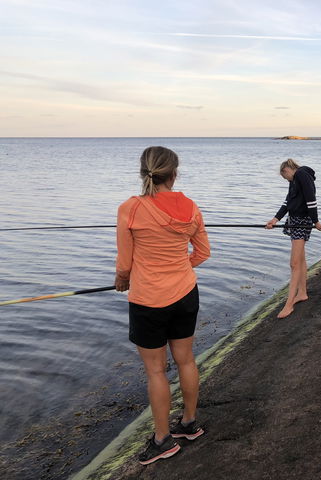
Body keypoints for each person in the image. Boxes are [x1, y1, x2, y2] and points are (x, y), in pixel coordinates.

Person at [115, 146, 210, 465]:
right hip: (186, 293)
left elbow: (124, 262)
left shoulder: (130, 208)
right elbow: (202, 252)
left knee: (156, 370)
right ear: (174, 174)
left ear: (144, 172)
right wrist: (181, 267)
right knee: (185, 360)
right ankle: (189, 423)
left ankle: (162, 439)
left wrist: (123, 279)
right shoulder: (191, 206)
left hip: (149, 300)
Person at [265, 159, 321, 319]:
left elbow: (311, 200)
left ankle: (289, 304)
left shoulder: (301, 175)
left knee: (294, 263)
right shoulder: (296, 179)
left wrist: (315, 221)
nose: (286, 180)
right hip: (294, 220)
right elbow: (288, 202)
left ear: (287, 170)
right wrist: (275, 219)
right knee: (301, 259)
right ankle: (302, 293)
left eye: (285, 176)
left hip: (302, 221)